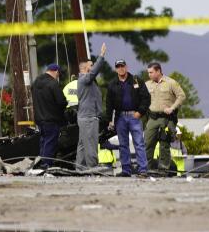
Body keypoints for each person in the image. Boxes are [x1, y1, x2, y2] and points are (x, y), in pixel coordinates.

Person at [106, 59, 148, 176]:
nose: (121, 68)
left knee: (139, 143)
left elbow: (146, 98)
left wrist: (140, 112)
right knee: (123, 144)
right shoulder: (112, 84)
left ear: (126, 67)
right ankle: (126, 170)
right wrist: (110, 119)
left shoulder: (136, 80)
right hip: (120, 117)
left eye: (122, 66)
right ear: (115, 69)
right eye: (118, 67)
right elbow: (108, 103)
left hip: (134, 116)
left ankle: (143, 170)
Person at [144, 63, 186, 173]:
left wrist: (172, 107)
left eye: (151, 72)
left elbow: (181, 96)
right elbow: (140, 97)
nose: (149, 75)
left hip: (167, 119)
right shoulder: (147, 84)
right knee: (147, 143)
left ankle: (163, 169)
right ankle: (147, 168)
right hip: (152, 118)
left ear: (158, 71)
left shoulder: (171, 83)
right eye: (148, 72)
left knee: (164, 144)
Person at [74, 42, 107, 171]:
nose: (93, 67)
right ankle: (93, 168)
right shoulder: (84, 79)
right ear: (85, 68)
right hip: (88, 117)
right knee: (91, 143)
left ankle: (80, 168)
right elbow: (94, 72)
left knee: (83, 144)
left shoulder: (88, 80)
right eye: (91, 66)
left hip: (85, 117)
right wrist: (101, 55)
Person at [31, 63, 66, 169]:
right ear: (56, 71)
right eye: (58, 74)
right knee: (50, 142)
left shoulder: (36, 82)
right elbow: (61, 101)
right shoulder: (53, 83)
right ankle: (46, 165)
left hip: (39, 119)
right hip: (51, 118)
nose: (58, 76)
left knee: (43, 141)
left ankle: (40, 163)